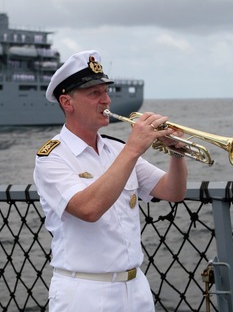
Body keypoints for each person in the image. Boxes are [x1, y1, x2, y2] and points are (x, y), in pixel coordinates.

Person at [33, 50, 188, 312]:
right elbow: (88, 209)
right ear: (67, 102)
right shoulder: (52, 158)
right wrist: (133, 148)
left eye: (106, 91)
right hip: (85, 293)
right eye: (94, 93)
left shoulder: (117, 151)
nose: (106, 100)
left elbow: (173, 192)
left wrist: (177, 153)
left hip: (136, 287)